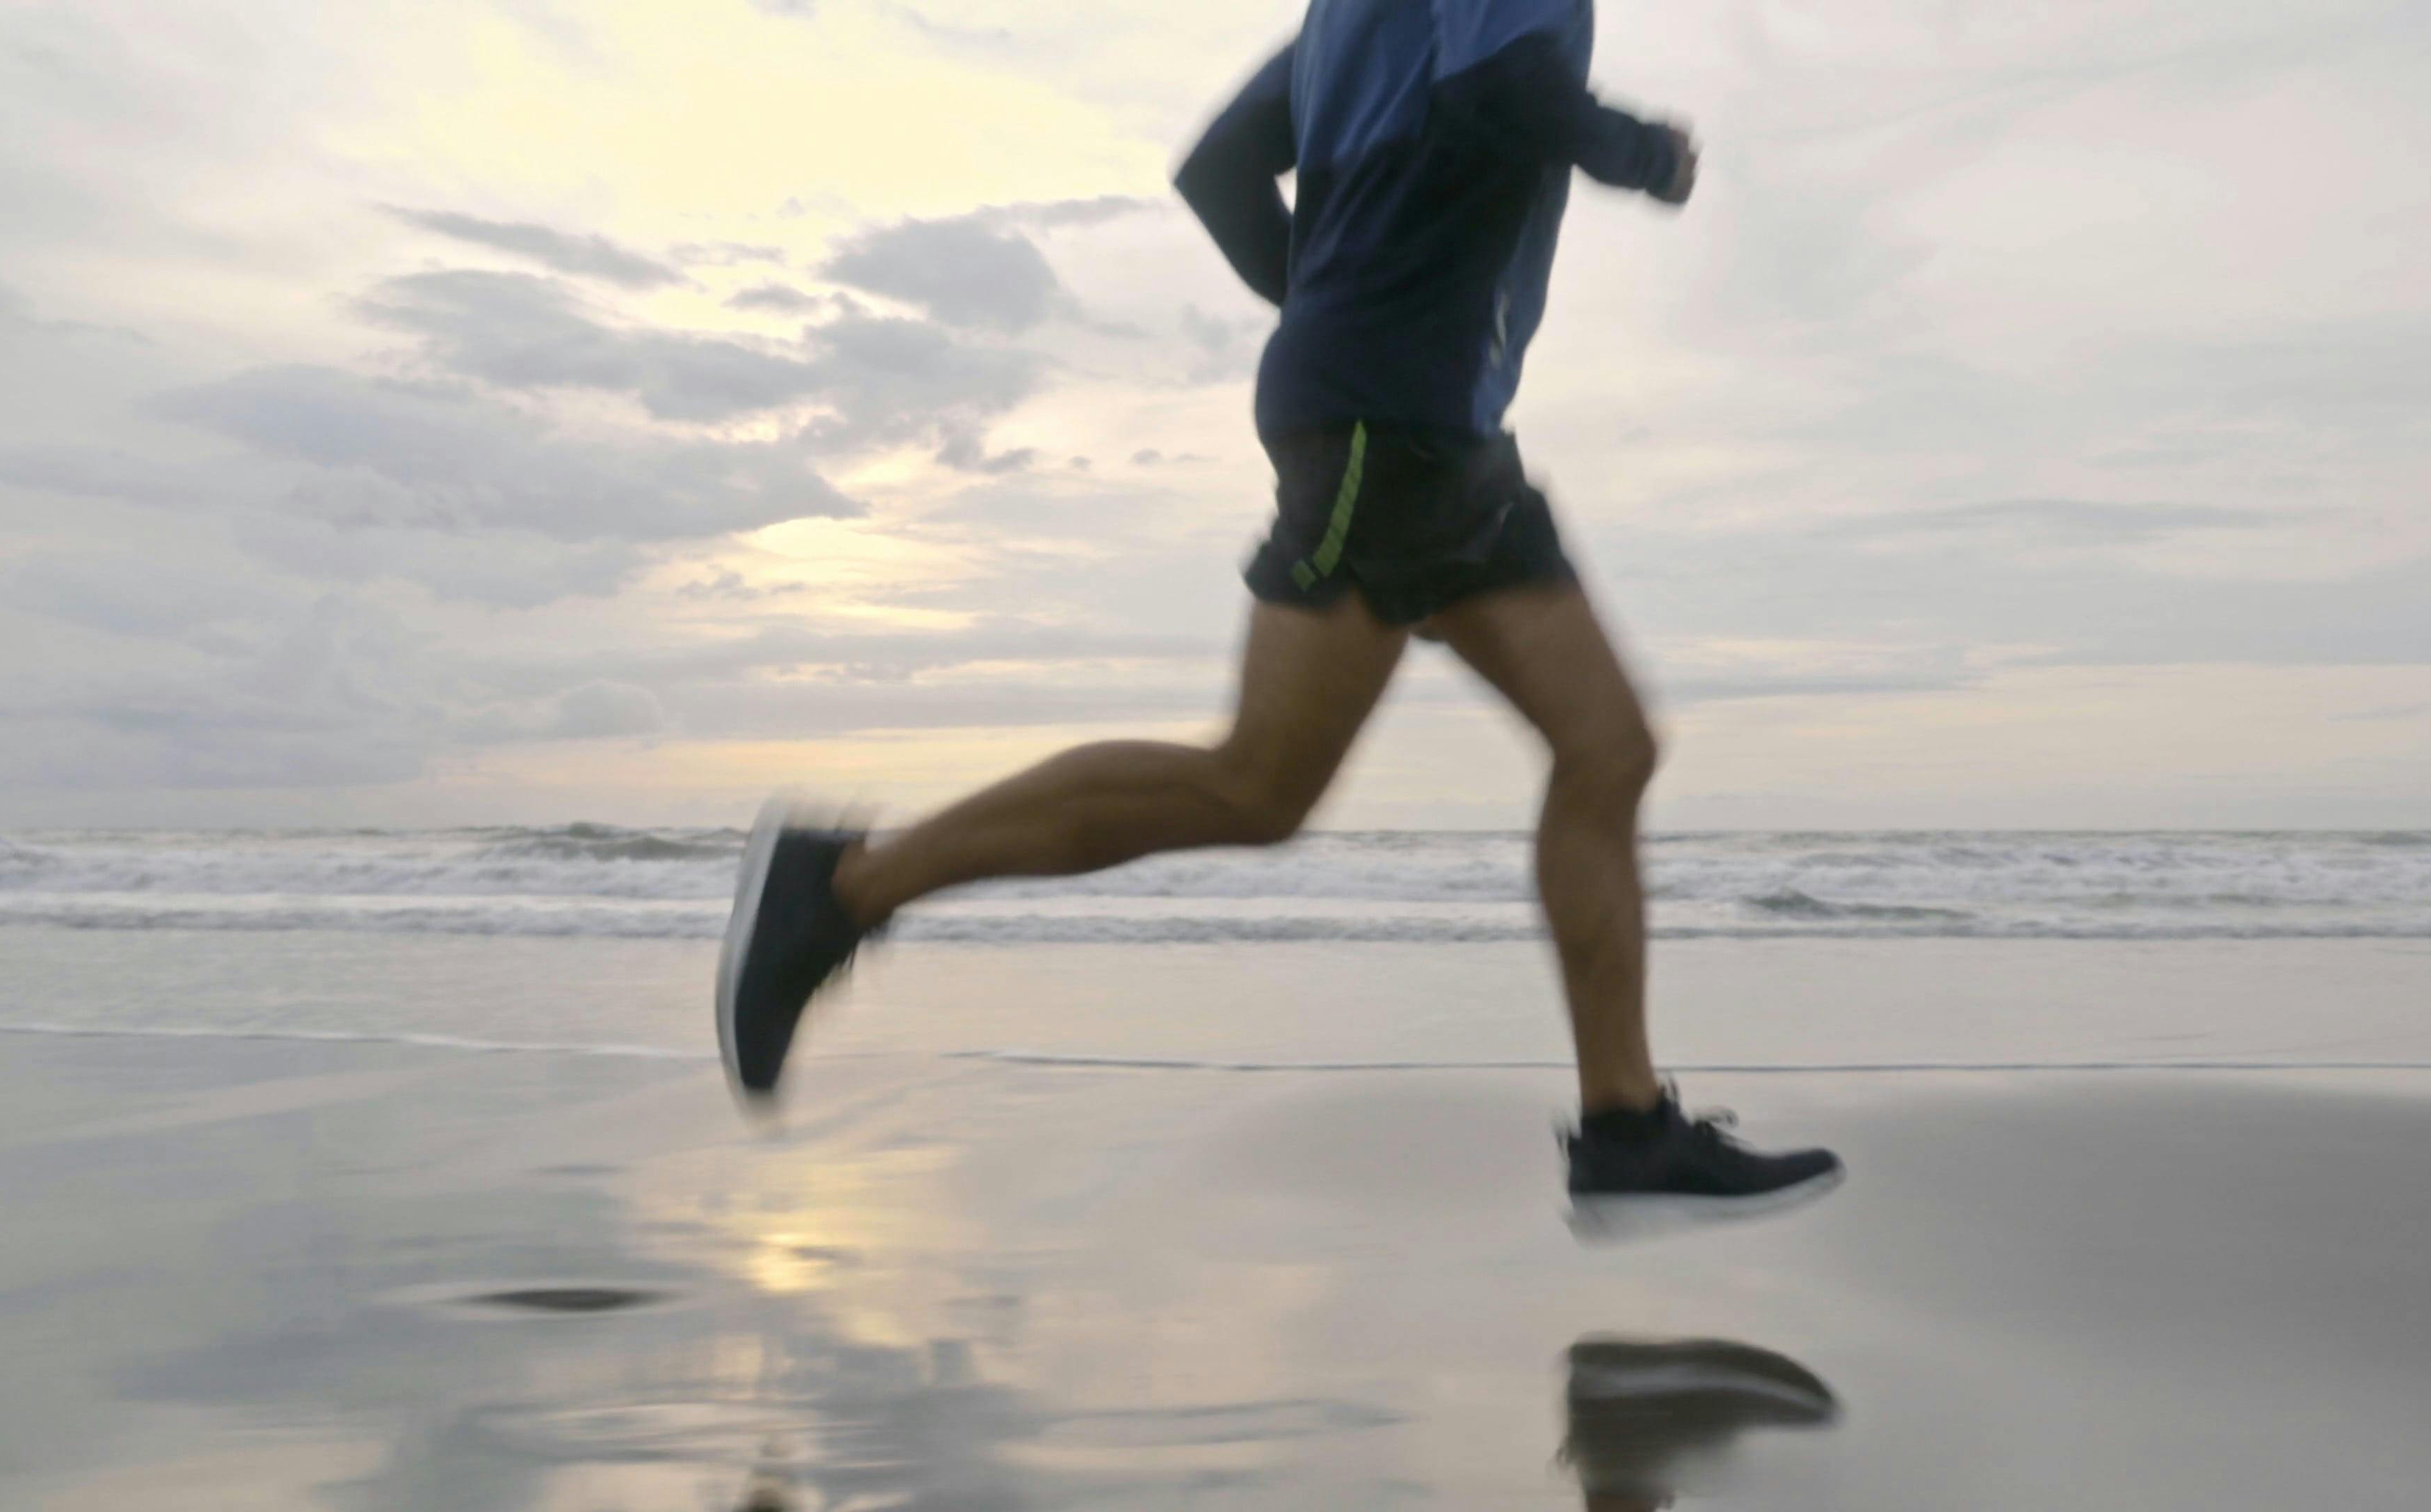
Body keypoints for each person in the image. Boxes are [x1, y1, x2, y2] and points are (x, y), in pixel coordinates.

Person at [718, 0, 1843, 1226]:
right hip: (1392, 425)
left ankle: (1628, 1132)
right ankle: (842, 887)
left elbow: (1219, 167)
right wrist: (1643, 155)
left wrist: (1326, 295)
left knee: (1607, 745)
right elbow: (1500, 95)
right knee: (1255, 786)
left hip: (1433, 428)